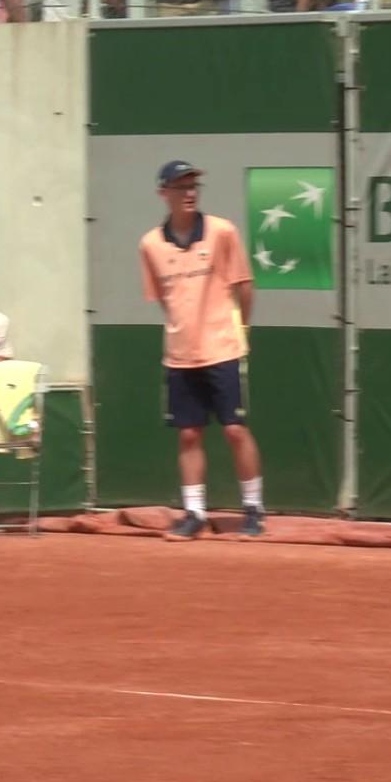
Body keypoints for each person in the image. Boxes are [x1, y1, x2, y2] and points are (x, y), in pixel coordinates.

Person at [141, 160, 265, 539]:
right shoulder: (150, 245)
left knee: (234, 429)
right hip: (180, 355)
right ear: (164, 194)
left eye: (194, 186)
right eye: (181, 187)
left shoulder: (222, 232)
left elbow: (244, 285)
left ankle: (253, 508)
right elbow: (165, 298)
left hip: (223, 348)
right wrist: (185, 328)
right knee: (189, 434)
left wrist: (238, 329)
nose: (190, 193)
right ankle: (194, 512)